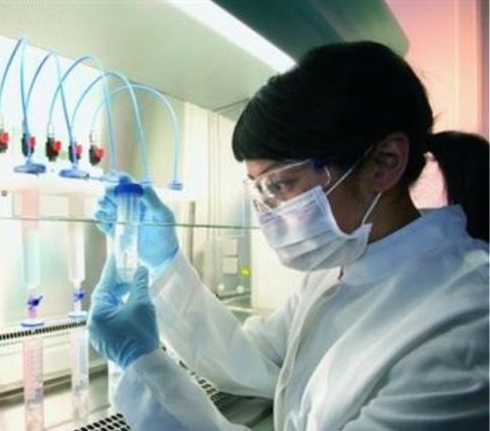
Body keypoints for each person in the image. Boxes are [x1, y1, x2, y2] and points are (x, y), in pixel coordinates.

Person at [88, 41, 489, 430]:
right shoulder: (341, 267)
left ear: (385, 163)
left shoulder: (466, 324)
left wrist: (143, 365)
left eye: (280, 184)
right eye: (258, 189)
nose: (267, 212)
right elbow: (255, 361)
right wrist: (165, 264)